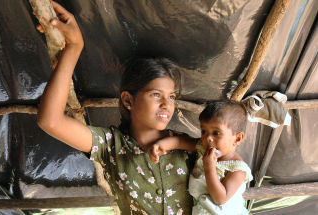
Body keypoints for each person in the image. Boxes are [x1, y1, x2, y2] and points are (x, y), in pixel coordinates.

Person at [37, 1, 195, 214]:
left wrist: (178, 142)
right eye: (156, 95)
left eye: (172, 96)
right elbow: (50, 121)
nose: (167, 104)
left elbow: (228, 158)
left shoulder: (189, 145)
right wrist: (74, 47)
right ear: (128, 100)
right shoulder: (110, 146)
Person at [148, 100, 253, 215]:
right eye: (204, 131)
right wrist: (160, 145)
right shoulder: (203, 148)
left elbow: (220, 199)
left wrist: (209, 167)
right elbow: (179, 142)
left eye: (216, 133)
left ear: (237, 138)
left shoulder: (237, 169)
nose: (208, 138)